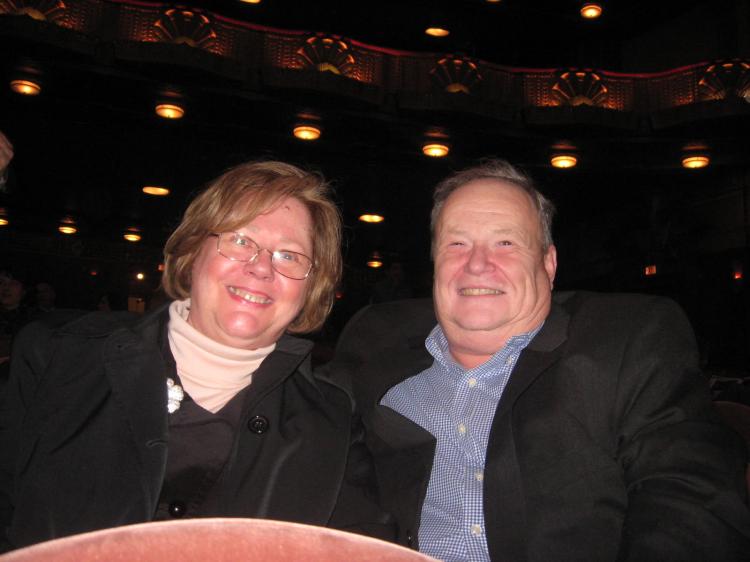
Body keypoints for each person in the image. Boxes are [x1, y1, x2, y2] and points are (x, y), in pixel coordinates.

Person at [327, 159, 750, 561]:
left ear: (548, 264)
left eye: (506, 242)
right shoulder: (374, 340)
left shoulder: (627, 339)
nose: (477, 264)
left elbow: (690, 495)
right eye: (457, 243)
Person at [0, 161, 387, 552]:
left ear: (311, 288)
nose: (261, 268)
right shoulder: (59, 356)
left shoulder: (333, 421)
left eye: (289, 256)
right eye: (240, 240)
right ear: (192, 250)